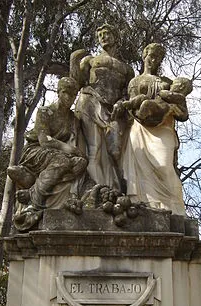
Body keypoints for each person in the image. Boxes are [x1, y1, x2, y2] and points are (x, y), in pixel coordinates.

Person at [7, 77, 88, 229]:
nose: (69, 98)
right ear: (58, 92)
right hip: (36, 151)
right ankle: (34, 200)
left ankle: (53, 194)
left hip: (59, 154)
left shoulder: (73, 119)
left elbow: (74, 141)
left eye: (73, 95)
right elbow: (45, 141)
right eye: (66, 93)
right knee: (62, 161)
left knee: (82, 163)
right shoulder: (45, 112)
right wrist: (71, 150)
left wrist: (77, 154)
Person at [122, 43, 193, 215]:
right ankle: (145, 205)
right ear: (144, 56)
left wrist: (172, 107)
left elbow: (183, 113)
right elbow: (132, 106)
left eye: (157, 58)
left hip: (163, 127)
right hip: (139, 127)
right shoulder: (135, 81)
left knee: (164, 165)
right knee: (141, 165)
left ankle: (175, 209)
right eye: (151, 56)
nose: (153, 60)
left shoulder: (168, 83)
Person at [75, 24, 134, 190]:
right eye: (100, 34)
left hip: (113, 110)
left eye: (107, 33)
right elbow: (77, 82)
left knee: (115, 152)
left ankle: (116, 187)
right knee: (94, 148)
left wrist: (122, 102)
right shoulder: (90, 60)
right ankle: (100, 188)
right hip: (90, 102)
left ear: (115, 36)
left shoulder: (127, 69)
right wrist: (75, 61)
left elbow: (128, 93)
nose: (103, 37)